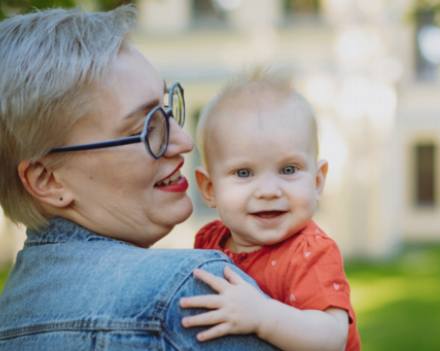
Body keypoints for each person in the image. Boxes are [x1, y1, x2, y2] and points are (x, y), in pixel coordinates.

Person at [0, 6, 278, 350]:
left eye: (167, 109)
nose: (184, 142)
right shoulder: (194, 295)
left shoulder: (11, 313)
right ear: (48, 180)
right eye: (146, 128)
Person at [180, 74, 361, 351]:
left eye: (288, 170)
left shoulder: (310, 253)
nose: (268, 191)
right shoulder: (209, 240)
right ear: (209, 188)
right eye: (244, 173)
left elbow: (331, 337)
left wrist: (263, 316)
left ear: (317, 182)